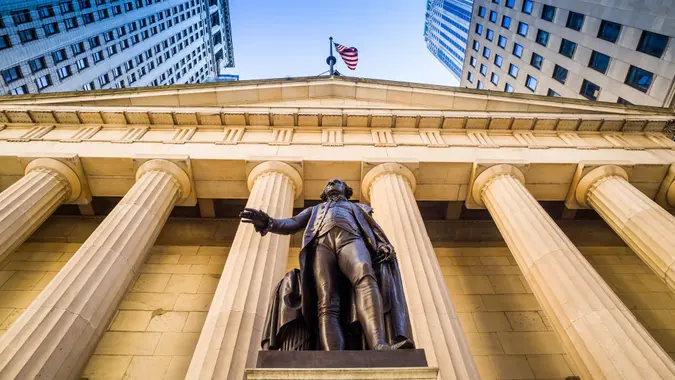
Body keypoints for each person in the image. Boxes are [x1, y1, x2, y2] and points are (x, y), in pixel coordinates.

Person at [240, 179, 412, 351]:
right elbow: (292, 223)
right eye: (329, 183)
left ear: (347, 190)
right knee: (327, 302)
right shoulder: (315, 210)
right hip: (321, 246)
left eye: (338, 182)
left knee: (365, 277)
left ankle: (379, 344)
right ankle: (333, 355)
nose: (332, 183)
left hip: (351, 239)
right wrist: (269, 223)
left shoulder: (358, 208)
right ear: (323, 193)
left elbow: (373, 230)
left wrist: (382, 244)